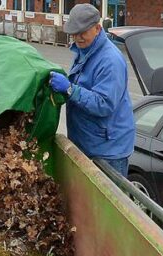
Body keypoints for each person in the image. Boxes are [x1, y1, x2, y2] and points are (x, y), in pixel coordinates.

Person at [48, 3, 134, 177]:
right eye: (74, 33)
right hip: (87, 142)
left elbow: (103, 104)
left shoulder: (110, 61)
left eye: (83, 33)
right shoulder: (84, 50)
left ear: (97, 28)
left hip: (108, 151)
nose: (77, 38)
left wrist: (70, 89)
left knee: (108, 202)